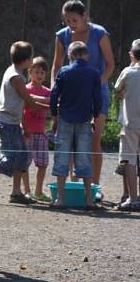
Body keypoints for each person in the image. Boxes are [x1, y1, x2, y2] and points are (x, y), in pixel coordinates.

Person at [51, 0, 114, 193]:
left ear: (84, 15)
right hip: (70, 95)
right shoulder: (62, 36)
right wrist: (56, 89)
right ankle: (74, 186)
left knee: (93, 138)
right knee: (69, 139)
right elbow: (56, 65)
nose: (71, 24)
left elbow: (110, 65)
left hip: (97, 92)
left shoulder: (99, 33)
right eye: (67, 20)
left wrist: (96, 85)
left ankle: (94, 188)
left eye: (75, 19)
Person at [0, 42, 49, 205]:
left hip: (14, 122)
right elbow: (29, 101)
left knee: (22, 157)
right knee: (8, 158)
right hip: (6, 122)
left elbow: (28, 98)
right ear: (26, 60)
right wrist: (52, 106)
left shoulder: (15, 72)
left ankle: (16, 192)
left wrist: (49, 103)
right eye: (30, 57)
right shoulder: (16, 77)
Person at [49, 42, 102, 210]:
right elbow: (98, 98)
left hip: (65, 119)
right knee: (84, 159)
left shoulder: (64, 71)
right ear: (87, 55)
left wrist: (54, 115)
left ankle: (61, 199)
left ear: (70, 56)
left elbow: (54, 94)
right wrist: (95, 115)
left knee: (62, 158)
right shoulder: (94, 73)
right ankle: (89, 200)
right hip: (85, 120)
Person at [114, 39, 140, 211]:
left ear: (132, 54)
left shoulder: (128, 71)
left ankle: (133, 198)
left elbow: (117, 88)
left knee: (129, 160)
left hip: (131, 123)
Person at [22, 57, 52, 202]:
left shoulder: (48, 91)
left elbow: (52, 102)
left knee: (43, 163)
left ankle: (38, 191)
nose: (39, 75)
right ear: (30, 72)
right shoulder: (25, 89)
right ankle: (27, 191)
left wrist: (36, 99)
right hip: (27, 132)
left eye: (42, 72)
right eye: (37, 72)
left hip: (41, 132)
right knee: (24, 163)